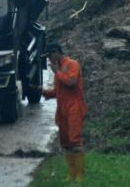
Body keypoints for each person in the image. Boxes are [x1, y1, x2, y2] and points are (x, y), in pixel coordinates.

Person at [42, 43, 87, 182]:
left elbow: (72, 82)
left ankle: (79, 175)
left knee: (75, 142)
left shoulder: (72, 64)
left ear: (56, 52)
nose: (49, 60)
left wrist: (57, 73)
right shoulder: (59, 69)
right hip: (62, 110)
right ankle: (71, 174)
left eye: (49, 56)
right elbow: (58, 91)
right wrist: (43, 92)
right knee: (66, 143)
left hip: (74, 108)